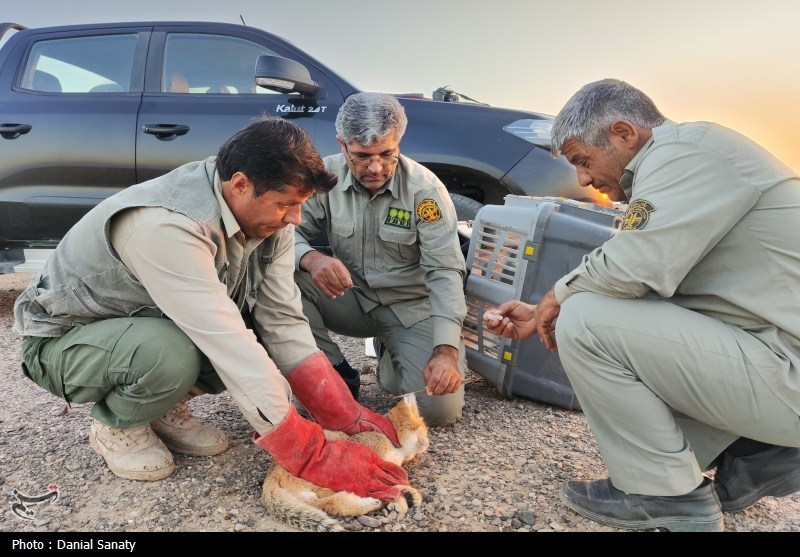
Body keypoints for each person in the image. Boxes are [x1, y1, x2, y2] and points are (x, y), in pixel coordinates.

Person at [14, 116, 411, 503]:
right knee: (171, 352)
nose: (296, 218)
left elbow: (282, 320)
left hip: (147, 324)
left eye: (301, 204)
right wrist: (309, 452)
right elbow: (226, 342)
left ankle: (159, 406)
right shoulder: (167, 225)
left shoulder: (269, 216)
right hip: (64, 343)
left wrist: (341, 413)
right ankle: (118, 423)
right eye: (286, 204)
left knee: (247, 326)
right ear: (240, 184)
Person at [484, 79, 800, 532]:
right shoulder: (696, 150)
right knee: (610, 309)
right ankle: (757, 452)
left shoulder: (681, 156)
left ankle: (664, 497)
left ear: (623, 134)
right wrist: (540, 311)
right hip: (780, 359)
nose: (584, 179)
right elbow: (644, 275)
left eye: (583, 161)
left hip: (787, 373)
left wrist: (555, 297)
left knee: (584, 319)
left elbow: (634, 267)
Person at [293, 92, 468, 427]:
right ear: (342, 145)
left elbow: (445, 271)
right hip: (349, 299)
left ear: (399, 142)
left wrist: (446, 350)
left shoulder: (425, 191)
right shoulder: (323, 177)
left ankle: (392, 353)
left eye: (386, 154)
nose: (375, 168)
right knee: (279, 277)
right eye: (361, 156)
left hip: (410, 309)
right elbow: (282, 232)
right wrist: (312, 259)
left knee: (438, 410)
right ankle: (335, 374)